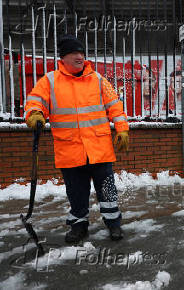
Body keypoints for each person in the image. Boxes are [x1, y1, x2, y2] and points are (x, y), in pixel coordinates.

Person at [24, 34, 129, 243]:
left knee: (108, 191)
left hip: (99, 149)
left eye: (81, 53)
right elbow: (35, 101)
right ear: (63, 58)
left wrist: (122, 128)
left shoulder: (98, 80)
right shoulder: (50, 81)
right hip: (70, 151)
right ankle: (78, 226)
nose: (79, 56)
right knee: (76, 194)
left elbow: (115, 106)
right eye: (74, 53)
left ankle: (114, 224)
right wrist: (35, 114)